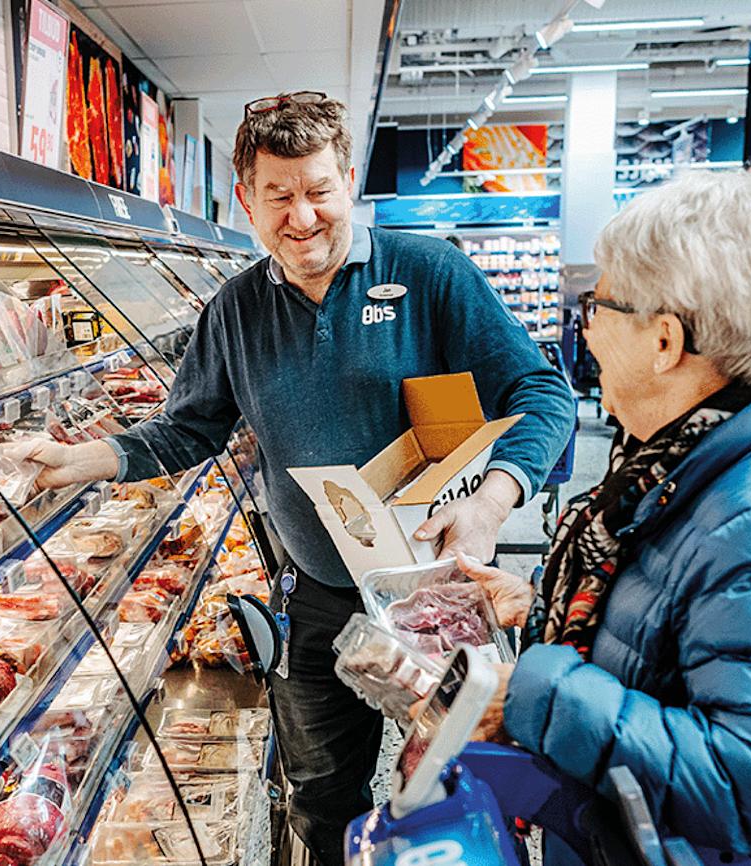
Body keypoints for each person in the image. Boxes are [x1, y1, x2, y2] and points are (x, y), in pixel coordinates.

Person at [30, 92, 576, 864]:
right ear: (246, 200)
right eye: (278, 196)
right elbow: (190, 425)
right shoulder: (236, 310)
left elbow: (542, 391)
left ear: (348, 178)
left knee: (465, 781)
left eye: (318, 190)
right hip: (315, 598)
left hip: (443, 588)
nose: (302, 216)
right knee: (321, 797)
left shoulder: (430, 273)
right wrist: (89, 459)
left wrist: (494, 501)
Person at [452, 169, 751, 863]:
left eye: (598, 306)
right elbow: (692, 641)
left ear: (664, 341)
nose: (588, 333)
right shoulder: (690, 464)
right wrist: (543, 607)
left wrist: (535, 695)